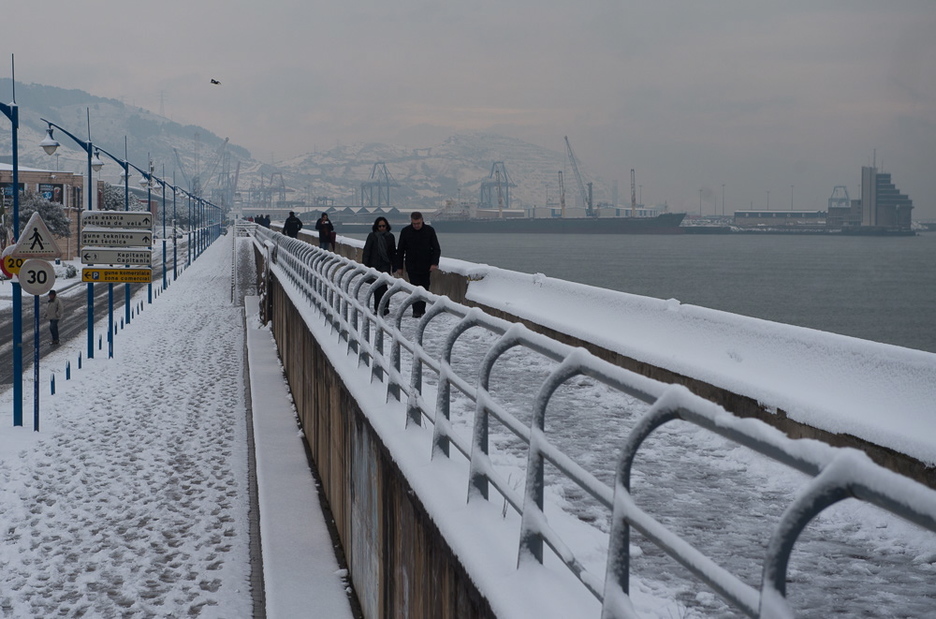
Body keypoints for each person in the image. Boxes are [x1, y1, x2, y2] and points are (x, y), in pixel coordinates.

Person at [394, 212, 441, 318]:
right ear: (411, 221)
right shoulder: (405, 231)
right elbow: (400, 250)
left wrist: (434, 263)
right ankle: (416, 311)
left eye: (418, 223)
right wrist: (399, 266)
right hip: (411, 265)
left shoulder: (429, 231)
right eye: (414, 223)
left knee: (424, 288)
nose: (416, 226)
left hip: (426, 265)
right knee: (415, 288)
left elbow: (436, 248)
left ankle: (422, 310)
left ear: (422, 220)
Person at [362, 216, 397, 315]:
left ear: (387, 226)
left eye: (383, 226)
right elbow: (367, 251)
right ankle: (377, 308)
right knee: (376, 288)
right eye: (380, 226)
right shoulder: (372, 236)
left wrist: (395, 265)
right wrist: (365, 266)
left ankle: (384, 307)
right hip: (374, 265)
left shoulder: (390, 237)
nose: (382, 228)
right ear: (376, 227)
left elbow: (393, 252)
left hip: (385, 265)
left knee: (383, 287)